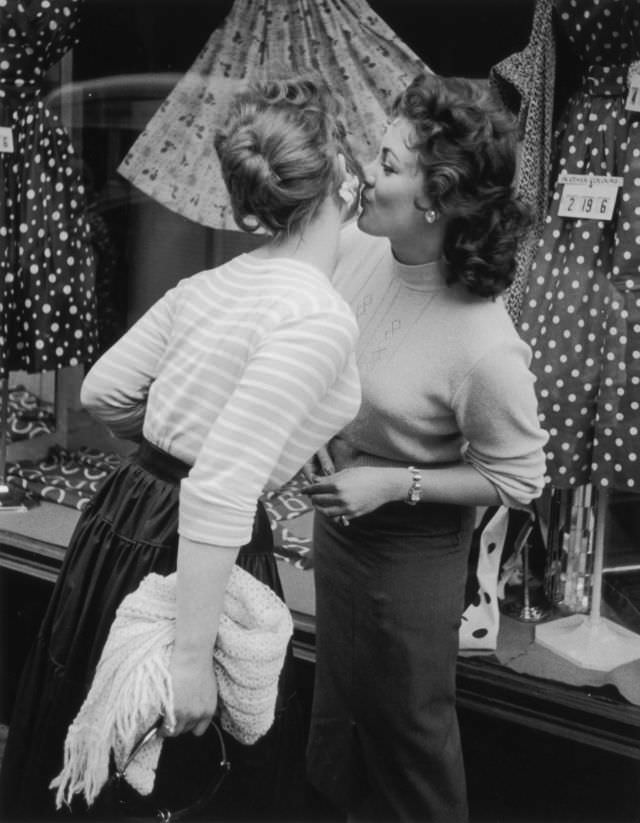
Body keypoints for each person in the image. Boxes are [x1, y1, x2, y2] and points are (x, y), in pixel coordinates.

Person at [0, 73, 362, 821]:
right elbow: (222, 484)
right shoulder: (317, 316)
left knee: (92, 705)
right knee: (181, 766)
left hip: (127, 507)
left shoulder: (212, 282)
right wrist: (193, 659)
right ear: (342, 178)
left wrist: (170, 446)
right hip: (197, 542)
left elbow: (104, 391)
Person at [303, 73, 548, 823]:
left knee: (408, 738)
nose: (365, 172)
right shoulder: (355, 249)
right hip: (338, 535)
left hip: (411, 560)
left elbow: (521, 477)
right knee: (338, 718)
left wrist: (394, 482)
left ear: (436, 200)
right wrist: (315, 432)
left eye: (386, 163)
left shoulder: (484, 344)